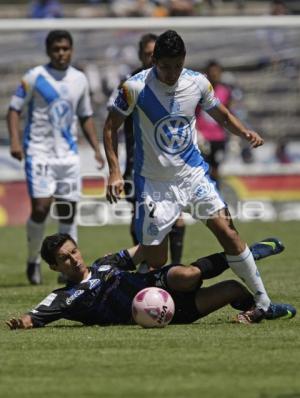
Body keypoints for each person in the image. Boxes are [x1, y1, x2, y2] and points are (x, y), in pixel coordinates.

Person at [103, 30, 277, 323]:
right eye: (165, 67)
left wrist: (243, 131)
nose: (171, 73)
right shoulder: (134, 87)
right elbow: (110, 127)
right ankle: (143, 301)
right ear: (154, 61)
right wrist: (115, 171)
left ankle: (263, 303)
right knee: (156, 260)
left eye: (177, 66)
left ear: (184, 60)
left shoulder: (196, 82)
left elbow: (221, 114)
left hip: (193, 175)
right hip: (155, 184)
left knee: (229, 233)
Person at [5, 233, 296, 329]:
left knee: (189, 274)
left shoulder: (105, 263)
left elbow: (143, 249)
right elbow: (34, 316)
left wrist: (158, 229)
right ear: (55, 266)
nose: (73, 259)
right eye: (65, 259)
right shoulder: (64, 298)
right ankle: (263, 310)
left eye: (74, 251)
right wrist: (23, 322)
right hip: (163, 312)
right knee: (233, 289)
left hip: (159, 283)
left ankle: (249, 253)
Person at [7, 30, 104, 285]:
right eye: (56, 49)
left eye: (65, 48)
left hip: (68, 156)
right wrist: (16, 141)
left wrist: (96, 147)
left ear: (71, 50)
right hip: (39, 152)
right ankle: (33, 260)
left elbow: (85, 115)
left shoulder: (79, 79)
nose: (61, 53)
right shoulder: (35, 77)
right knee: (40, 208)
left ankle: (68, 270)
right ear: (49, 51)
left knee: (67, 211)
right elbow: (14, 109)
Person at [120, 33, 185, 264]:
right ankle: (145, 265)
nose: (150, 58)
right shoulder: (132, 83)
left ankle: (173, 268)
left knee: (176, 215)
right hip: (139, 160)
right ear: (141, 55)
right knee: (142, 214)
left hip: (170, 161)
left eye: (153, 53)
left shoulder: (176, 81)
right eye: (147, 54)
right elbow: (113, 118)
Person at [196, 60, 231, 188]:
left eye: (217, 73)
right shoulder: (199, 91)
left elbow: (228, 113)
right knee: (202, 169)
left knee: (216, 169)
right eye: (212, 73)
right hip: (203, 137)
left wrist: (231, 135)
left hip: (218, 137)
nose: (215, 75)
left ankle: (216, 193)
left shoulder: (225, 91)